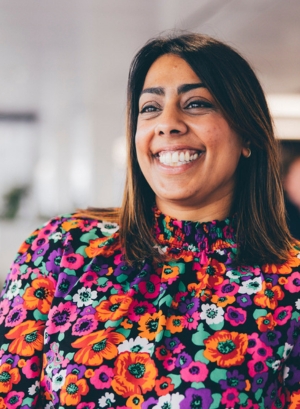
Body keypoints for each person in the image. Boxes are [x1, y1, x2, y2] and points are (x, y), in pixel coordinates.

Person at [0, 33, 300, 409]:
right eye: (150, 108)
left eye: (196, 103)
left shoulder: (290, 284)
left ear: (248, 135)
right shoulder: (60, 249)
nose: (167, 123)